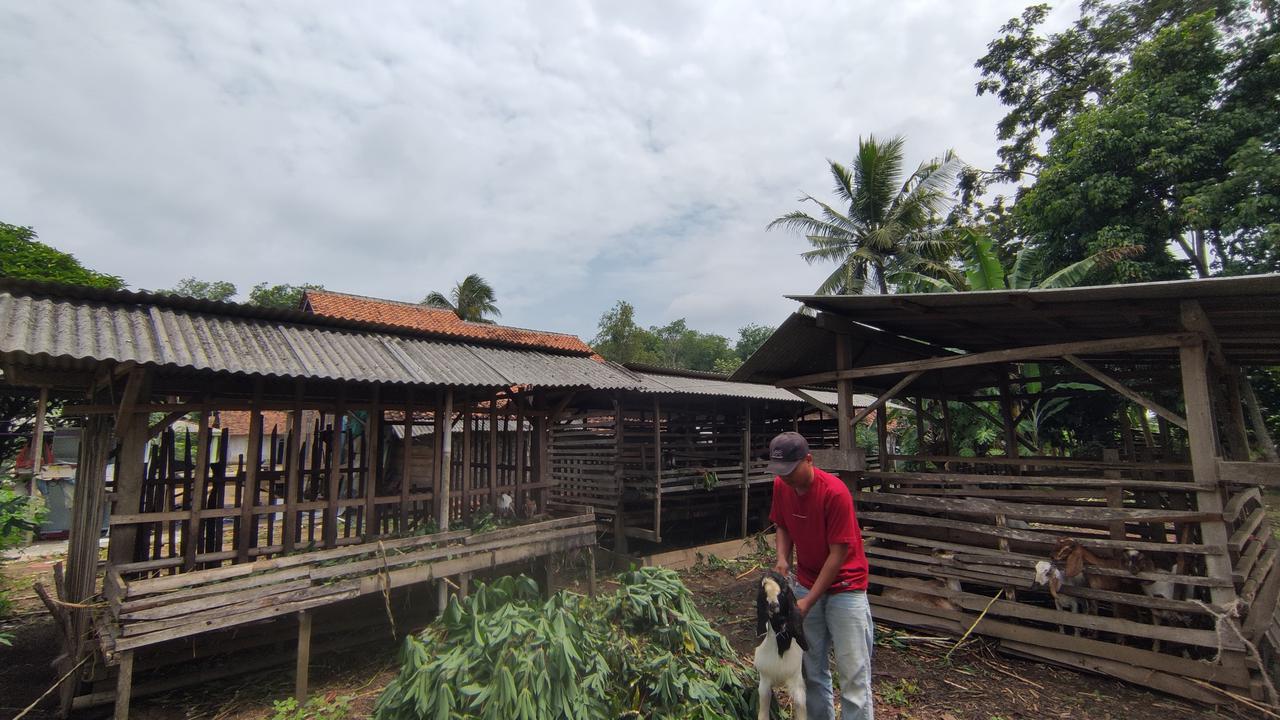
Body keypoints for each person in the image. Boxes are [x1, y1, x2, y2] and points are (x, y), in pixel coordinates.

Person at [767, 431, 873, 720]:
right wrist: (782, 560)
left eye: (790, 469)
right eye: (780, 471)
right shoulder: (782, 485)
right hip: (807, 583)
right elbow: (783, 525)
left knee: (853, 677)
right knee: (811, 672)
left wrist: (808, 601)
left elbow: (837, 555)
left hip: (846, 588)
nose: (785, 477)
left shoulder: (835, 492)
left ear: (809, 460)